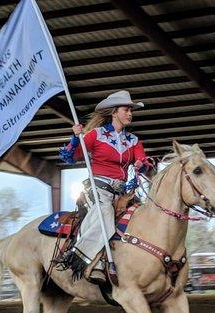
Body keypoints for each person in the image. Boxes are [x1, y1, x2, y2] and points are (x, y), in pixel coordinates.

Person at [58, 90, 152, 284]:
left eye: (131, 110)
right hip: (97, 188)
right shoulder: (96, 135)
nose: (130, 113)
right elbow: (71, 155)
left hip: (122, 192)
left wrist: (141, 164)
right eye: (126, 109)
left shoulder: (133, 141)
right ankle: (84, 259)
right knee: (105, 214)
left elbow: (145, 161)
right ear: (114, 112)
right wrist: (76, 138)